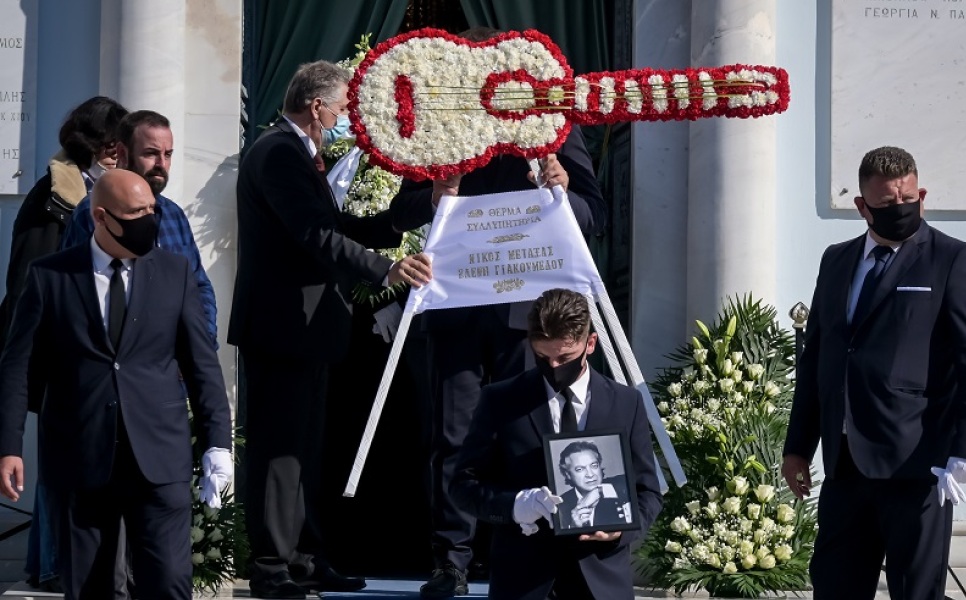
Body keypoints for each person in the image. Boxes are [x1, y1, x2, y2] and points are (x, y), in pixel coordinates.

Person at [390, 26, 606, 597]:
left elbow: (593, 215)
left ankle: (530, 550)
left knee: (529, 431)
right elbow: (399, 213)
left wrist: (562, 189)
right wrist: (436, 194)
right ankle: (451, 561)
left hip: (529, 316)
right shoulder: (436, 126)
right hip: (457, 307)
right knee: (452, 437)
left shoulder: (550, 125)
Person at [228, 60, 433, 599]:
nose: (347, 118)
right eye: (343, 108)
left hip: (308, 328)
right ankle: (271, 565)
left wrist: (407, 216)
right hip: (282, 325)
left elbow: (336, 226)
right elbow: (314, 234)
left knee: (305, 449)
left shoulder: (299, 152)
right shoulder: (277, 152)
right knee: (280, 450)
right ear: (317, 106)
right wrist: (386, 270)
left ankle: (302, 558)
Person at [781, 146, 966, 600]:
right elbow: (817, 357)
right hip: (845, 465)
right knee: (835, 587)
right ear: (862, 206)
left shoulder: (954, 260)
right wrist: (798, 446)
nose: (900, 208)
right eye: (886, 203)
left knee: (916, 593)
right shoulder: (836, 260)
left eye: (908, 198)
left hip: (916, 463)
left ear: (921, 196)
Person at [0, 170, 233, 599]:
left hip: (159, 455)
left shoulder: (175, 272)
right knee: (91, 587)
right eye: (136, 214)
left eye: (151, 211)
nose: (149, 221)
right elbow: (16, 366)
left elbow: (201, 364)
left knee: (168, 582)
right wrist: (9, 445)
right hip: (80, 455)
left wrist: (217, 442)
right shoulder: (50, 276)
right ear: (101, 217)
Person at [451, 288, 661, 600]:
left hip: (602, 583)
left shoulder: (626, 402)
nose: (553, 366)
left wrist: (620, 529)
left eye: (565, 358)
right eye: (542, 357)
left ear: (590, 343)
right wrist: (515, 505)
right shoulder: (501, 400)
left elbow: (649, 492)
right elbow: (462, 486)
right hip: (523, 582)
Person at [0, 95, 128, 594]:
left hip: (92, 349)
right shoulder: (55, 194)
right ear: (93, 144)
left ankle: (51, 562)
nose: (117, 151)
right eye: (110, 142)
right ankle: (53, 564)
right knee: (60, 460)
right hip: (56, 348)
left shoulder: (104, 188)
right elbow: (28, 279)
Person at [61, 110, 218, 347]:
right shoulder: (92, 213)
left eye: (167, 154)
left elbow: (199, 286)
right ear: (123, 153)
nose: (161, 164)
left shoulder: (173, 214)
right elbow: (71, 293)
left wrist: (201, 342)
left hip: (176, 362)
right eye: (151, 153)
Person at [556, 441, 631, 530]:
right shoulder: (560, 506)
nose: (590, 474)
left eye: (594, 466)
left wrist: (598, 491)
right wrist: (573, 527)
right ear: (568, 474)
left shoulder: (620, 484)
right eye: (580, 469)